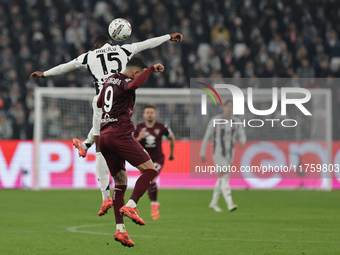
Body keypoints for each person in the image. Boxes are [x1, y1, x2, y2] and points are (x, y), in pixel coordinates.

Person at [30, 32, 184, 216]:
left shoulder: (88, 55)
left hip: (102, 99)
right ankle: (85, 144)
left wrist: (45, 74)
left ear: (96, 46)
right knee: (110, 134)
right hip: (122, 97)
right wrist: (168, 37)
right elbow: (147, 44)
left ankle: (104, 196)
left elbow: (66, 66)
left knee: (101, 147)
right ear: (110, 42)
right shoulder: (123, 49)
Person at [97, 57, 164, 247]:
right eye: (140, 73)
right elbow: (133, 84)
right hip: (119, 133)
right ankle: (132, 206)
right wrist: (150, 69)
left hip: (104, 137)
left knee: (120, 184)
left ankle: (120, 231)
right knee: (150, 171)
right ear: (136, 72)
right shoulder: (128, 82)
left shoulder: (110, 79)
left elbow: (100, 103)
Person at [200, 100, 246, 212]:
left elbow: (242, 135)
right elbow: (207, 136)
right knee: (225, 176)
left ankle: (214, 202)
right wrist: (202, 152)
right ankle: (230, 204)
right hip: (218, 153)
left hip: (230, 154)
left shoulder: (236, 121)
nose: (229, 109)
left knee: (222, 178)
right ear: (223, 107)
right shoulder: (215, 120)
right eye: (228, 106)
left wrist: (242, 141)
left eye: (232, 107)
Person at [134, 105, 175, 220]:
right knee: (147, 182)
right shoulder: (138, 128)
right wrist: (139, 138)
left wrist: (172, 153)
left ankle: (154, 205)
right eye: (147, 112)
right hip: (144, 160)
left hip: (157, 159)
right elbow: (132, 143)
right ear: (144, 115)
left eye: (151, 112)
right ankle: (154, 203)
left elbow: (172, 137)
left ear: (155, 114)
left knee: (151, 178)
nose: (150, 114)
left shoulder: (162, 127)